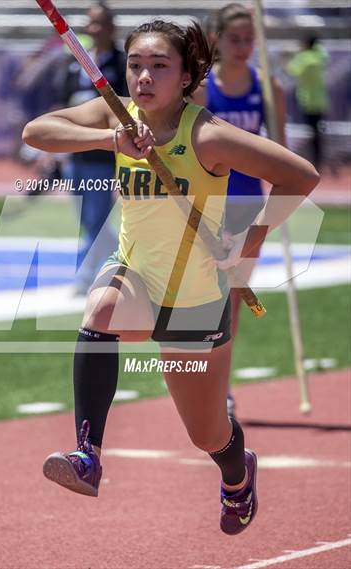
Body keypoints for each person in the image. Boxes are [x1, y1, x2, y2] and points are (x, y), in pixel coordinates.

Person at [23, 20, 319, 535]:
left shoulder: (208, 134)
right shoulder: (118, 113)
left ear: (186, 77)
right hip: (135, 274)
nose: (143, 77)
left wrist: (249, 241)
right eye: (137, 65)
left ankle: (236, 473)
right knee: (100, 311)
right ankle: (88, 454)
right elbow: (36, 132)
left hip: (195, 301)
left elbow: (301, 175)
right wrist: (109, 137)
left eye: (160, 66)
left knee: (208, 436)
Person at [191, 3, 286, 418]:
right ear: (217, 40)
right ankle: (198, 380)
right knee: (205, 298)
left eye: (250, 39)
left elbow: (282, 153)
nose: (244, 47)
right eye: (235, 39)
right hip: (206, 205)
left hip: (247, 206)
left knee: (233, 300)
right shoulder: (200, 88)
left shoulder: (268, 88)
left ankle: (220, 389)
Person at [61, 2, 129, 294]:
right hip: (75, 152)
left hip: (104, 154)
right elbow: (63, 103)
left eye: (100, 23)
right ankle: (123, 256)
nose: (94, 29)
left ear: (111, 27)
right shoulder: (76, 61)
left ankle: (84, 276)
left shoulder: (123, 63)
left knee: (97, 217)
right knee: (86, 218)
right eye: (91, 23)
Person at [286, 34, 329, 170]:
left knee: (312, 132)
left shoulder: (304, 58)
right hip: (320, 100)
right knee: (317, 133)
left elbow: (292, 70)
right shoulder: (319, 56)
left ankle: (314, 161)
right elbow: (324, 54)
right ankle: (319, 160)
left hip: (308, 101)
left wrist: (289, 58)